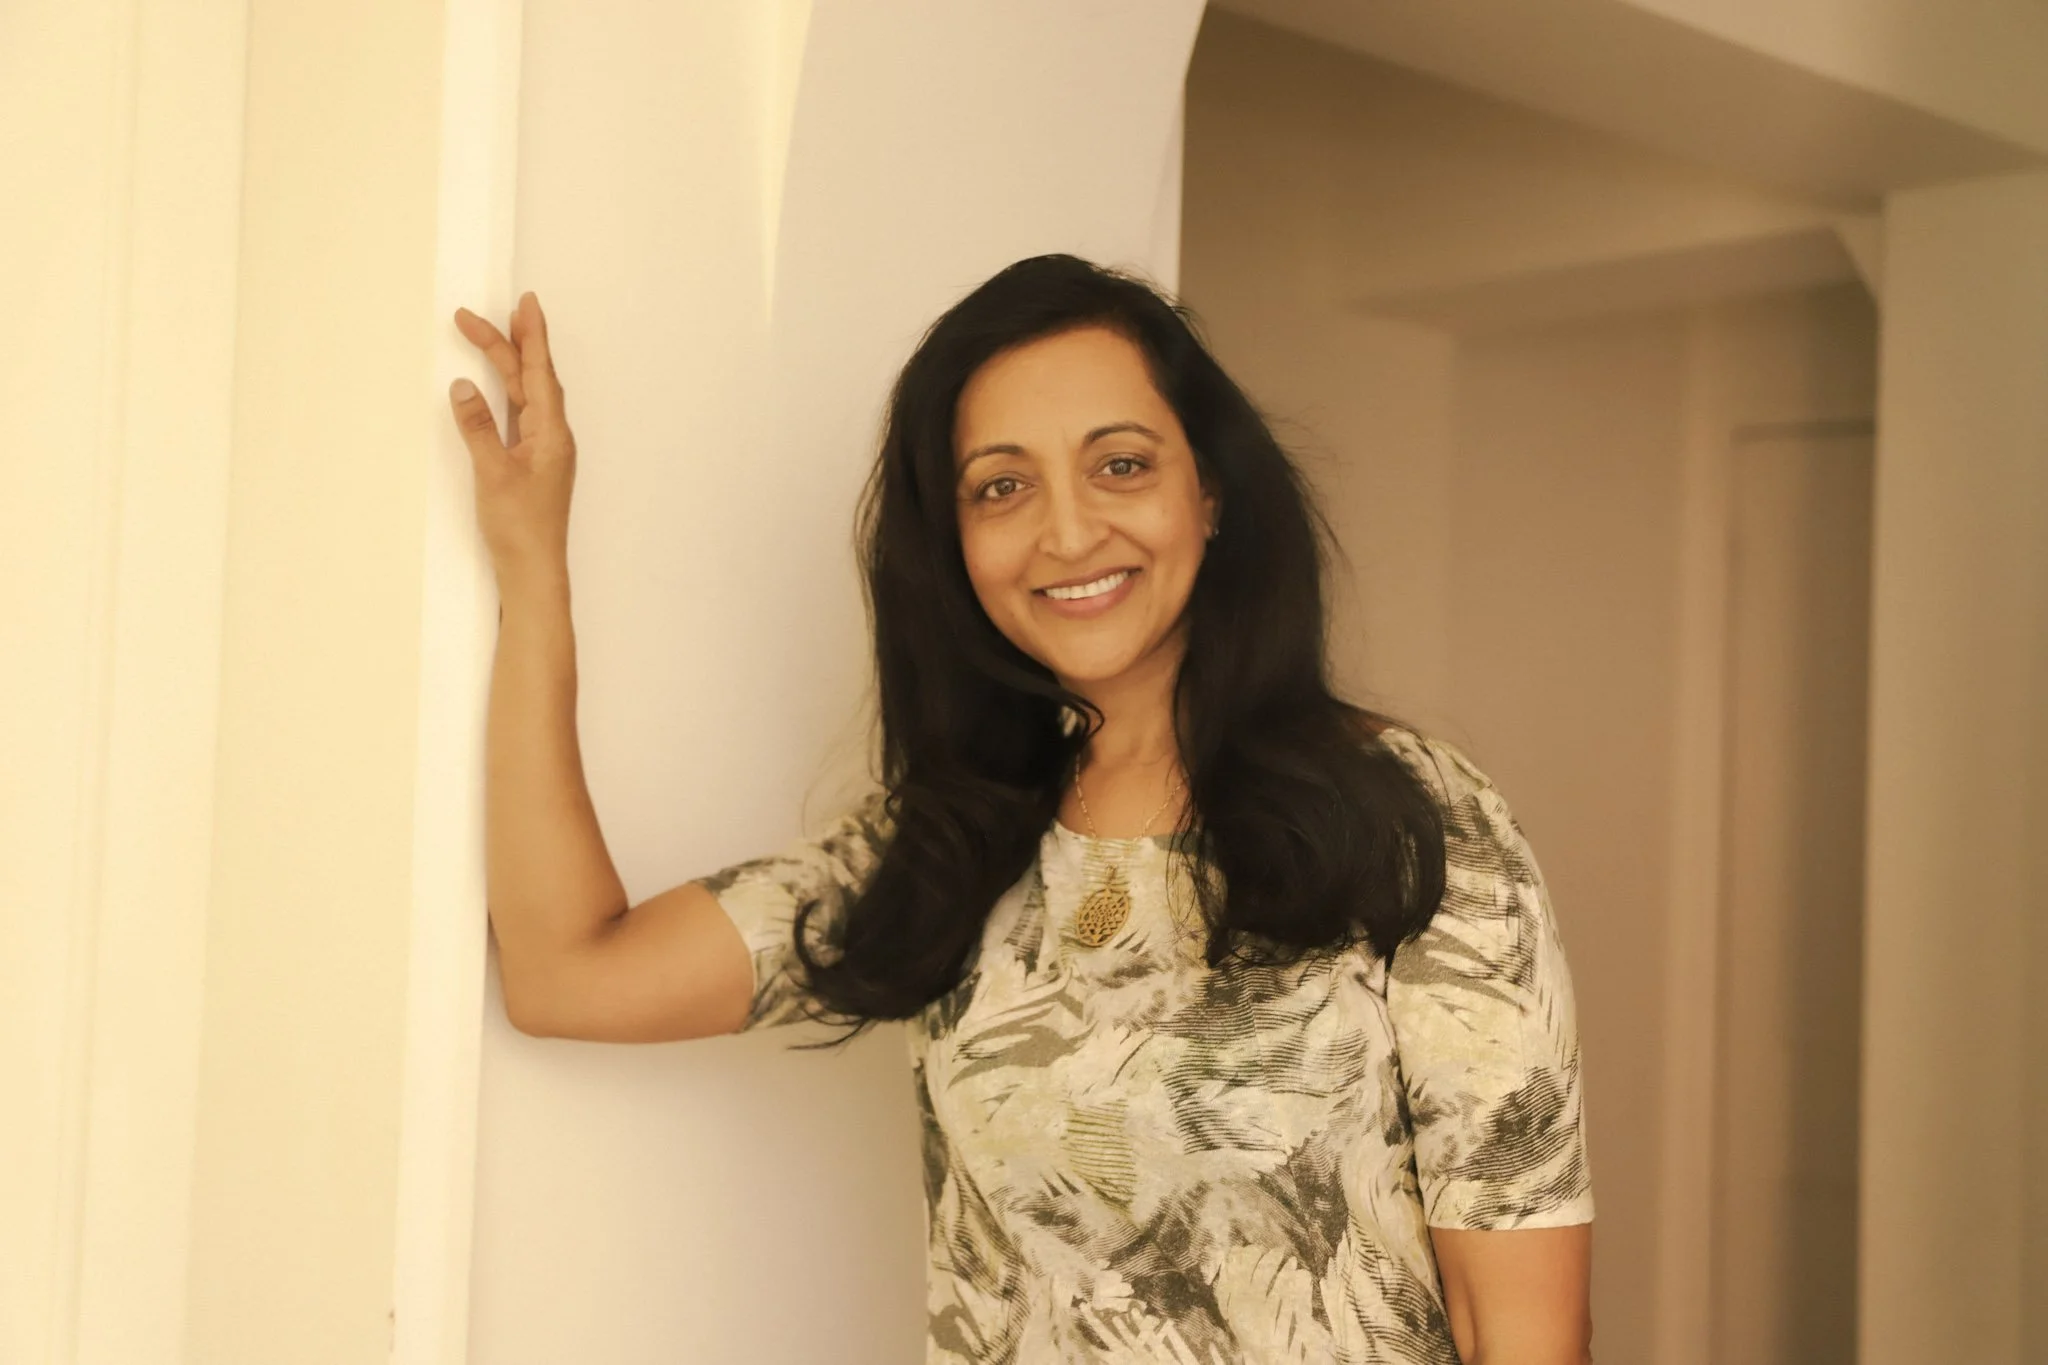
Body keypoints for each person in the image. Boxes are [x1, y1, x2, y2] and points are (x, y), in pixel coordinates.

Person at [448, 254, 1595, 1364]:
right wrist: (531, 570)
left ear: (1209, 494)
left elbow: (1525, 1338)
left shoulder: (1407, 821)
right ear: (955, 548)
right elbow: (567, 973)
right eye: (1002, 487)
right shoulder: (950, 849)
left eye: (1120, 465)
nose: (1065, 532)